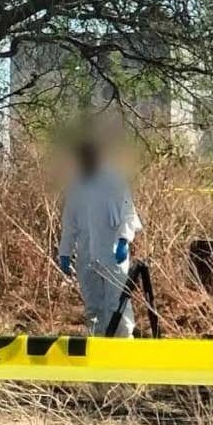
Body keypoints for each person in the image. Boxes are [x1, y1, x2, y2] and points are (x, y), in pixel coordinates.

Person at [58, 141, 142, 336]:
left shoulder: (115, 181)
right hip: (86, 254)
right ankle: (98, 347)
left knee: (117, 305)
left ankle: (123, 347)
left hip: (112, 253)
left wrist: (123, 240)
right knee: (93, 306)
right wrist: (65, 251)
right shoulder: (77, 185)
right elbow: (70, 221)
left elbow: (128, 213)